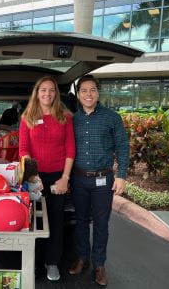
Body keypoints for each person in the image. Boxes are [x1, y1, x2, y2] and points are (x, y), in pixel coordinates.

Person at [68, 75, 129, 286]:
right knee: (81, 222)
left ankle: (100, 265)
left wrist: (121, 176)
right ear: (78, 94)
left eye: (92, 90)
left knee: (102, 224)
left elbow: (123, 146)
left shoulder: (112, 117)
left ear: (98, 92)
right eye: (84, 90)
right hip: (78, 179)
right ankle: (83, 258)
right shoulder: (72, 119)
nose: (88, 94)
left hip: (104, 179)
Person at [19, 76, 75, 281]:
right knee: (32, 221)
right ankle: (32, 262)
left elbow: (70, 150)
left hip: (57, 177)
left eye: (51, 90)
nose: (47, 94)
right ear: (37, 92)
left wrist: (65, 178)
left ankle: (52, 262)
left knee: (55, 220)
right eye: (43, 90)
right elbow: (23, 149)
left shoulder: (65, 117)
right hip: (34, 177)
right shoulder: (27, 117)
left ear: (56, 93)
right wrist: (32, 175)